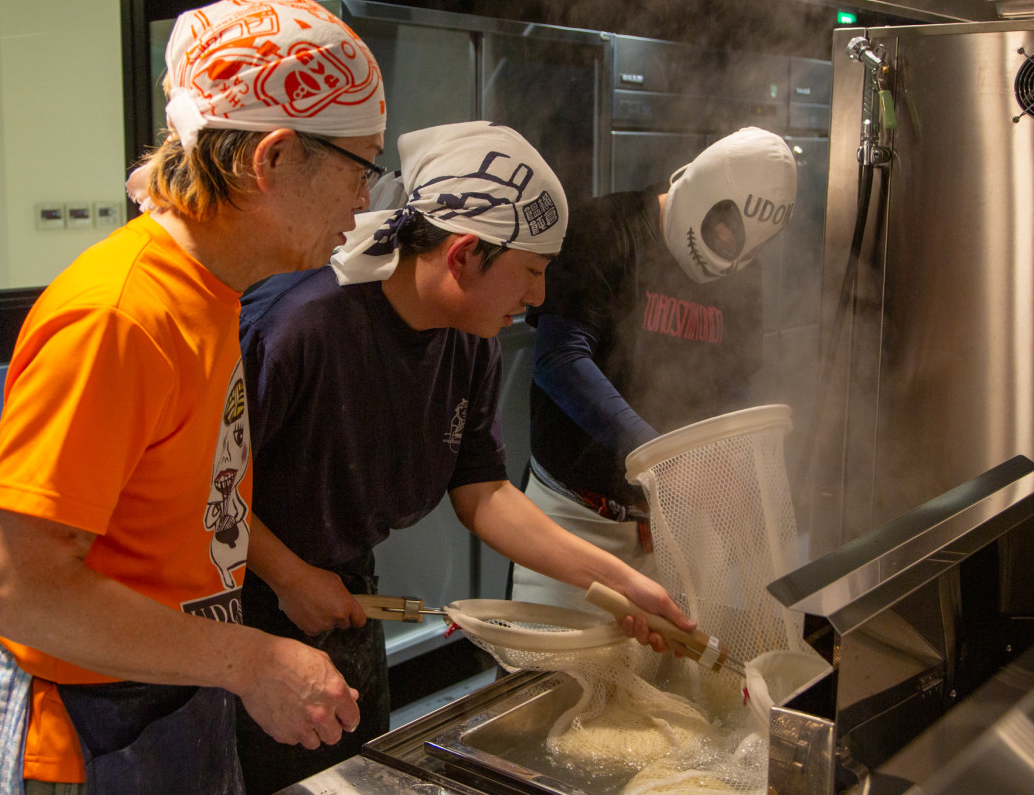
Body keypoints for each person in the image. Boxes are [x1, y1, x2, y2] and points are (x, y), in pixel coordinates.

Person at [0, 0, 389, 795]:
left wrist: (276, 593)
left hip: (163, 711)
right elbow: (17, 589)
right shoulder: (120, 316)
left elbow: (189, 505)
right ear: (273, 158)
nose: (366, 202)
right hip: (78, 740)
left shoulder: (212, 295)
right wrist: (251, 660)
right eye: (363, 168)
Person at [235, 120, 696, 795]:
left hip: (343, 594)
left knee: (354, 780)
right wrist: (289, 577)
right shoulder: (297, 326)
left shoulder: (468, 340)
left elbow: (482, 491)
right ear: (463, 255)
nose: (538, 298)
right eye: (531, 272)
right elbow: (199, 489)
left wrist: (621, 582)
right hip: (237, 605)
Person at [510, 127, 798, 614]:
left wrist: (729, 463)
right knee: (556, 661)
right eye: (721, 234)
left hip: (677, 527)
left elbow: (732, 382)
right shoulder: (604, 229)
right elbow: (560, 361)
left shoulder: (744, 279)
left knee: (670, 661)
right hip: (577, 520)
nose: (728, 257)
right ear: (700, 187)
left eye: (745, 250)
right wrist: (667, 461)